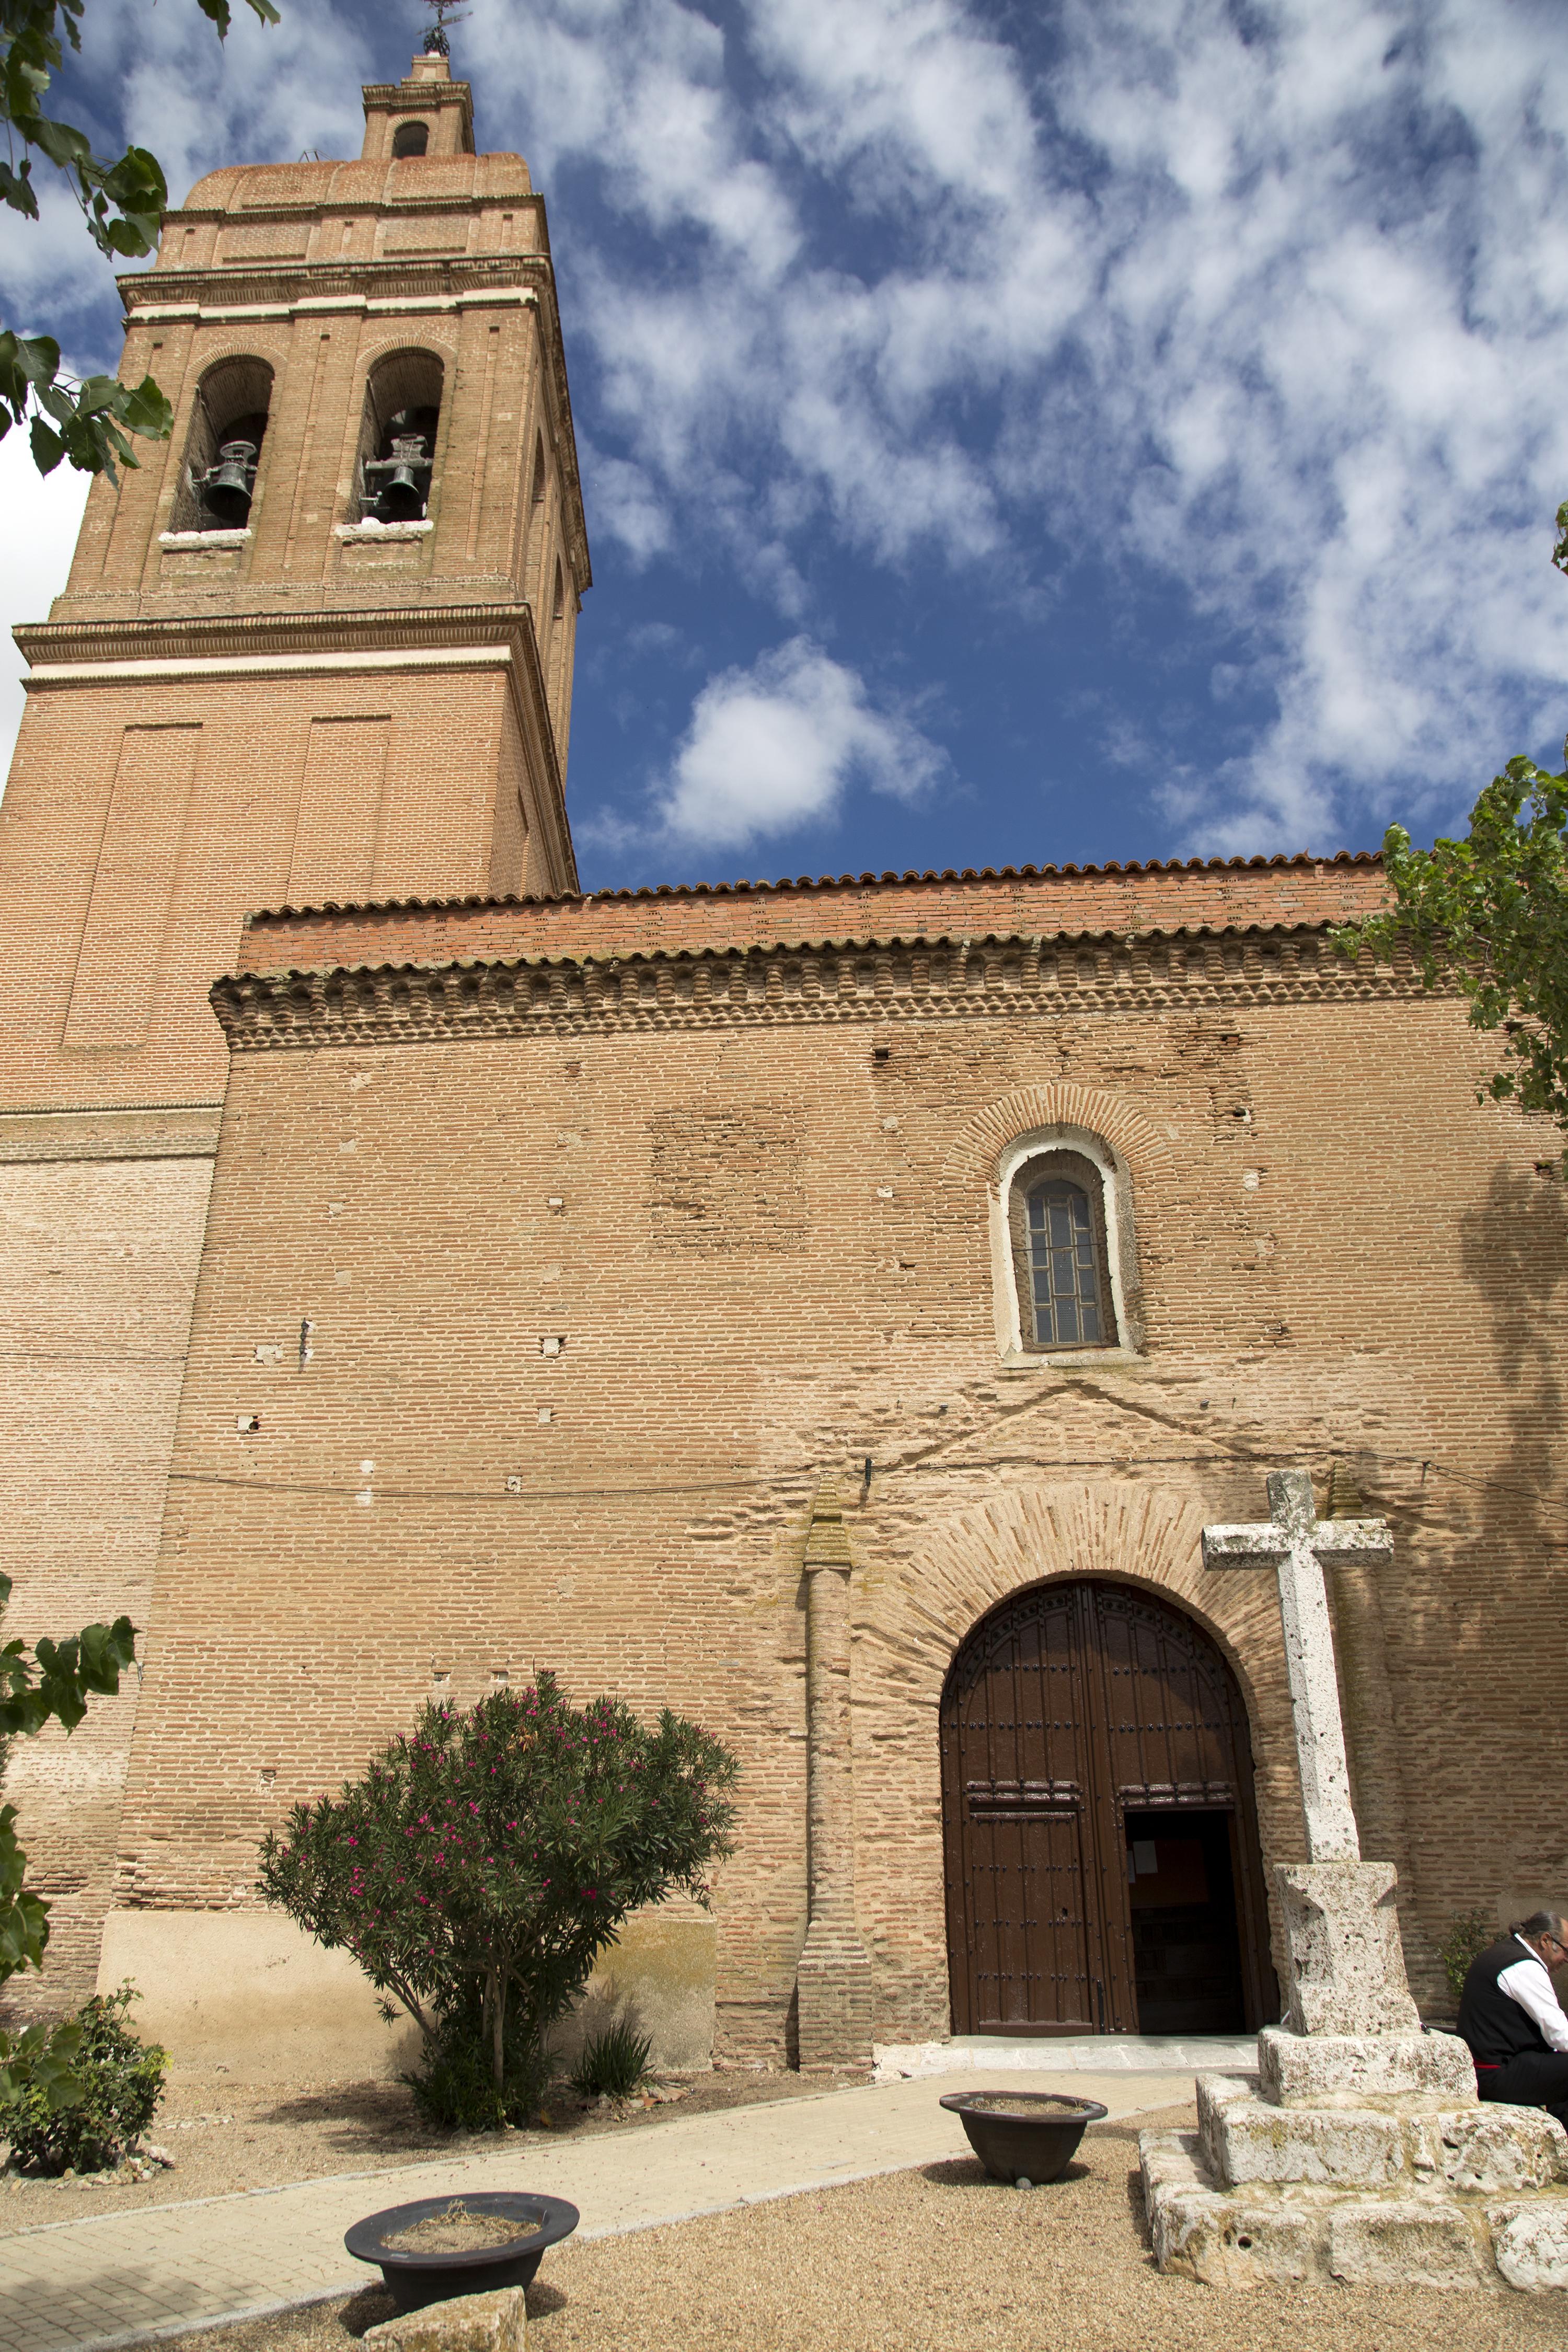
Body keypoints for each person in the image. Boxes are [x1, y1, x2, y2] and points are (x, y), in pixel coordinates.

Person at [1457, 1911, 1568, 2127]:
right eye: (1565, 1950)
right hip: (1495, 2074)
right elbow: (1560, 2035)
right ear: (1546, 1940)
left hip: (1489, 2067)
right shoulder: (1525, 1968)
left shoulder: (1506, 1953)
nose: (1566, 1959)